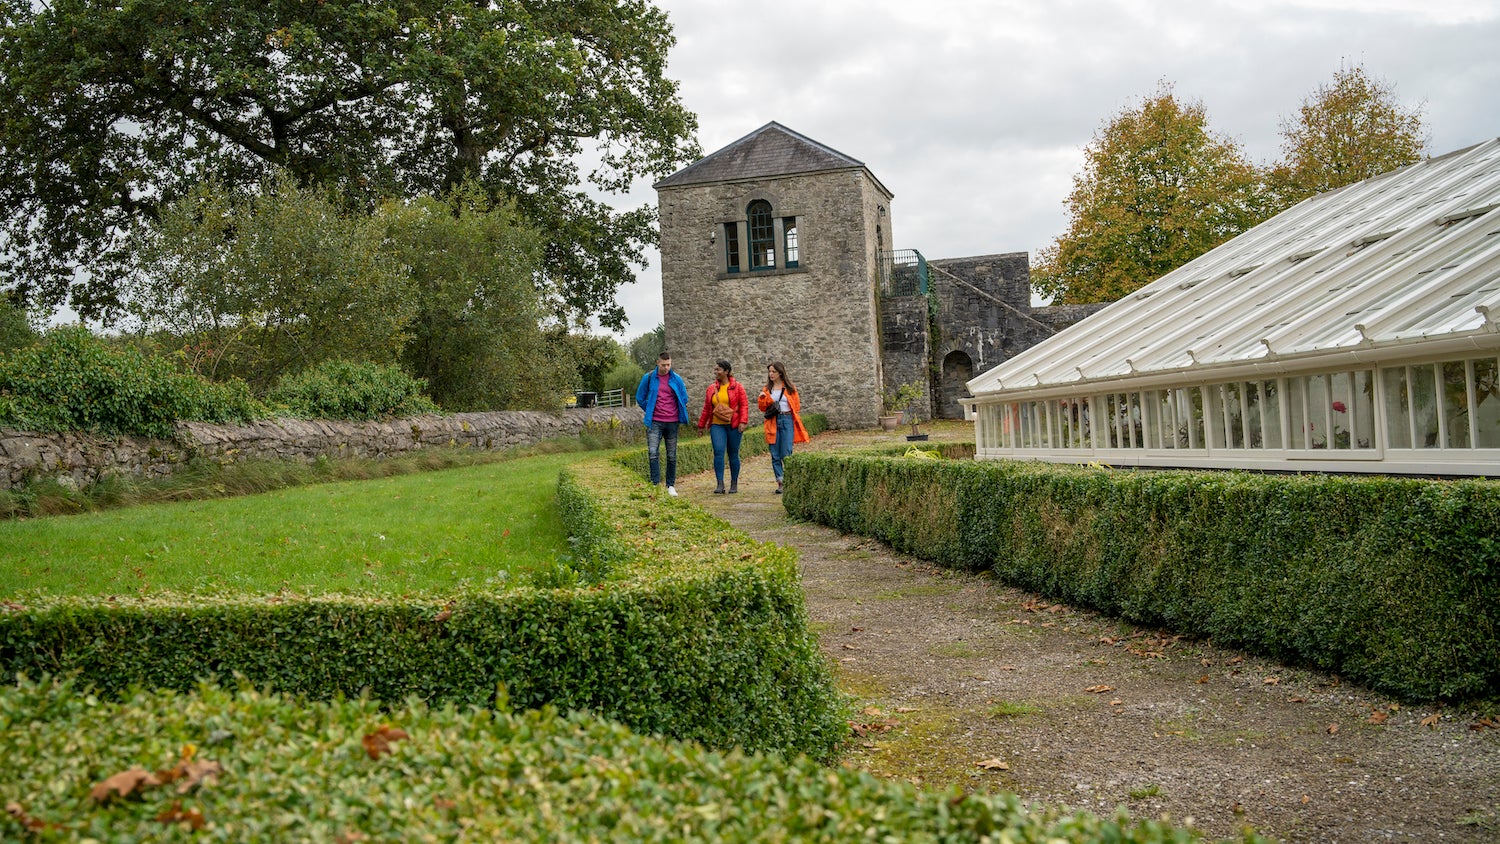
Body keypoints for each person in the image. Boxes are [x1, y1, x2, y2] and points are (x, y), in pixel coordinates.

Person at [634, 351, 690, 496]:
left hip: (672, 422)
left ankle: (670, 485)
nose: (666, 368)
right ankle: (656, 484)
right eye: (664, 365)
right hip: (655, 421)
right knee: (653, 453)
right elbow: (640, 397)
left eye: (669, 365)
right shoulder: (649, 378)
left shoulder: (676, 378)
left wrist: (675, 411)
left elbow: (684, 398)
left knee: (671, 454)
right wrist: (650, 409)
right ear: (657, 362)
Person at [756, 361, 810, 494]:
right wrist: (763, 399)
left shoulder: (790, 388)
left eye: (773, 371)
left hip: (786, 419)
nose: (771, 374)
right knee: (774, 453)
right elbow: (762, 408)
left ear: (780, 372)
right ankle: (780, 482)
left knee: (786, 453)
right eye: (769, 372)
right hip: (773, 420)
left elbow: (796, 406)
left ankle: (790, 481)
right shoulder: (766, 389)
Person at [696, 359, 749, 494]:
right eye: (715, 369)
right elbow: (707, 409)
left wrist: (743, 422)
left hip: (734, 425)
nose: (716, 372)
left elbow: (744, 406)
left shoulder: (738, 387)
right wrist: (701, 425)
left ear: (726, 372)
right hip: (717, 425)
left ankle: (734, 483)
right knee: (718, 452)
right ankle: (720, 483)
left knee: (733, 454)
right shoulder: (711, 389)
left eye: (718, 369)